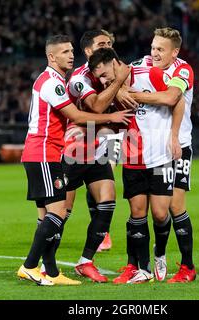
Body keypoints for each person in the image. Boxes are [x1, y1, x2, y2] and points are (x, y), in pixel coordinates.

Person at [17, 35, 132, 286]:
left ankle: (67, 267)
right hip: (57, 151)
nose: (70, 55)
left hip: (81, 149)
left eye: (71, 51)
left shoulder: (62, 78)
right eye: (65, 51)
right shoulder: (67, 80)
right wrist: (114, 112)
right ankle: (32, 266)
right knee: (58, 213)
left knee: (104, 200)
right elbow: (85, 111)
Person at [88, 48, 185, 284]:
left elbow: (177, 101)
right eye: (99, 78)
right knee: (137, 212)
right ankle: (142, 268)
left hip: (161, 156)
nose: (103, 81)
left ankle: (159, 253)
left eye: (104, 74)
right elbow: (105, 119)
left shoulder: (149, 74)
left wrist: (174, 136)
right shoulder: (110, 92)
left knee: (161, 214)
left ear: (115, 62)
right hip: (133, 158)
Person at [62, 32, 133, 283]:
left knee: (107, 197)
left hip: (103, 142)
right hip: (76, 146)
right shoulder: (81, 77)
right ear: (90, 51)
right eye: (102, 45)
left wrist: (123, 85)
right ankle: (43, 263)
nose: (109, 48)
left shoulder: (115, 71)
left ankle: (86, 261)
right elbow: (97, 107)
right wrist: (118, 85)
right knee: (62, 209)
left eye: (110, 44)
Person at [127, 27, 196, 282]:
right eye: (153, 47)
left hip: (178, 146)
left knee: (175, 206)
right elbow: (119, 82)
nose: (154, 53)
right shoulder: (139, 65)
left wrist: (137, 95)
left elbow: (170, 97)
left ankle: (188, 267)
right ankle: (158, 254)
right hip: (150, 149)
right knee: (157, 212)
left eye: (161, 49)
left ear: (174, 52)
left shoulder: (183, 69)